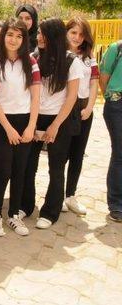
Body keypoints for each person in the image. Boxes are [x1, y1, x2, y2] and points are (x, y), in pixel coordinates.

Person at [23, 18, 82, 229]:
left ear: (54, 37)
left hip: (60, 120)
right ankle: (25, 205)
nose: (38, 37)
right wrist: (34, 125)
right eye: (38, 33)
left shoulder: (71, 61)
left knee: (56, 168)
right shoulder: (33, 58)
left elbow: (71, 97)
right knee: (28, 165)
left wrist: (55, 126)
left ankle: (50, 211)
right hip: (35, 117)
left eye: (42, 33)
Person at [0, 19, 40, 236]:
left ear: (24, 39)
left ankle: (13, 215)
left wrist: (31, 126)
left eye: (19, 36)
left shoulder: (31, 63)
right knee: (3, 168)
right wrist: (7, 128)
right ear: (3, 36)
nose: (14, 40)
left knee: (20, 170)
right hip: (2, 123)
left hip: (25, 122)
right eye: (10, 35)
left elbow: (36, 97)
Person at [64, 18, 99, 215]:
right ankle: (56, 195)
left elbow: (94, 83)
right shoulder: (60, 55)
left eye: (81, 34)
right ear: (66, 33)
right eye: (73, 33)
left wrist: (90, 107)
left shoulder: (88, 57)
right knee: (61, 155)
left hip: (84, 109)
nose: (77, 38)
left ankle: (70, 195)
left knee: (77, 154)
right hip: (64, 109)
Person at [100, 38, 122, 223]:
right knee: (120, 153)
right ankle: (116, 204)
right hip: (117, 105)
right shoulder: (117, 48)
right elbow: (104, 78)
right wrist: (113, 98)